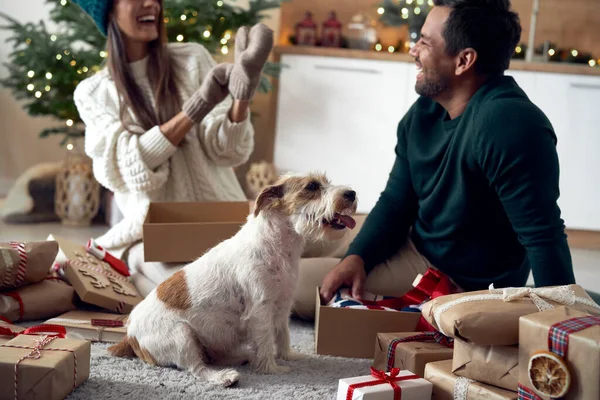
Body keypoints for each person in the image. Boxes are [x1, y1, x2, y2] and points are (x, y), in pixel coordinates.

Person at [292, 0, 579, 319]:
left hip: (450, 277)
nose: (413, 49)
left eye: (425, 42)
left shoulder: (508, 123)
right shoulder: (426, 111)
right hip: (415, 237)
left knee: (285, 285)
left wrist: (562, 327)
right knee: (279, 238)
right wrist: (358, 256)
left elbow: (543, 235)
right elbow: (397, 202)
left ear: (463, 61)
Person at [71, 0, 273, 294]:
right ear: (109, 11)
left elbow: (229, 151)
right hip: (157, 237)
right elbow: (131, 167)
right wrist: (196, 108)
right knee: (206, 289)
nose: (151, 3)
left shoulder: (193, 58)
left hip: (225, 221)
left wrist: (242, 94)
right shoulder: (94, 92)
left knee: (289, 269)